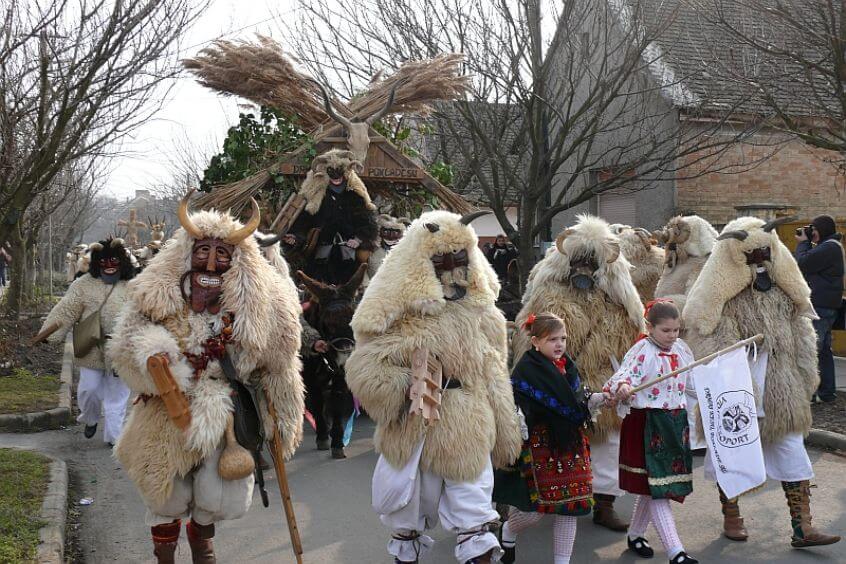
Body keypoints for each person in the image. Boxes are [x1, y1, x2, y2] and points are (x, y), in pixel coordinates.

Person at [107, 193, 305, 563]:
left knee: (215, 493)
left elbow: (280, 359)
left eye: (223, 254)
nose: (212, 262)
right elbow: (126, 342)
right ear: (186, 253)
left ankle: (203, 545)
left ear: (237, 260)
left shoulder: (259, 304)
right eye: (202, 252)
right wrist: (156, 354)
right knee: (165, 489)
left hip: (223, 409)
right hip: (166, 408)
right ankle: (164, 553)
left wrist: (276, 407)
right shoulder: (155, 294)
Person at [346, 210, 522, 564]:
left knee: (475, 517)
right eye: (440, 260)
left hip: (469, 424)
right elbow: (364, 365)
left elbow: (494, 373)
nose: (451, 268)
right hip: (417, 427)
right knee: (407, 514)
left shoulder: (482, 311)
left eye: (459, 258)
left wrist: (506, 427)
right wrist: (406, 388)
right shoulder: (401, 313)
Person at [685, 216, 840, 548]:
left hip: (781, 385)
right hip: (738, 386)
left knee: (792, 450)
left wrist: (805, 373)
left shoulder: (782, 290)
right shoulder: (724, 293)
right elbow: (708, 333)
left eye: (764, 255)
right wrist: (735, 349)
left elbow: (801, 330)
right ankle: (732, 515)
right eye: (752, 257)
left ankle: (803, 526)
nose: (760, 263)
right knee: (732, 450)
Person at [513, 215, 645, 531]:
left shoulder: (616, 297)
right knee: (547, 441)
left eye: (590, 261)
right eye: (578, 260)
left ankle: (604, 504)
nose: (583, 267)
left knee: (606, 445)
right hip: (555, 381)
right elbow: (530, 334)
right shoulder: (549, 293)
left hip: (599, 378)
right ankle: (535, 498)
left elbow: (631, 332)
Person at [494, 312, 611, 564]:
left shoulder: (568, 366)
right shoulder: (526, 370)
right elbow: (517, 409)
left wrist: (601, 398)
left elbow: (577, 401)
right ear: (535, 341)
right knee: (536, 512)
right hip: (541, 446)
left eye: (563, 338)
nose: (560, 345)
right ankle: (509, 530)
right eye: (552, 339)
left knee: (571, 508)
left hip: (572, 443)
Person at [604, 300, 699, 564]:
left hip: (674, 423)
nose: (672, 336)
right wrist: (623, 387)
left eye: (676, 330)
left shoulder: (681, 350)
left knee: (656, 486)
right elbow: (624, 376)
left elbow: (692, 385)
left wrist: (717, 374)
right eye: (666, 331)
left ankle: (635, 534)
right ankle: (675, 552)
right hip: (647, 423)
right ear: (650, 327)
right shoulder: (642, 351)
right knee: (657, 487)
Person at [38, 238, 134, 446]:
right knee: (88, 390)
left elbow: (148, 314)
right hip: (91, 348)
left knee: (116, 397)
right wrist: (49, 334)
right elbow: (66, 309)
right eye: (104, 262)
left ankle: (114, 438)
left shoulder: (134, 286)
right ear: (96, 262)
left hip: (122, 350)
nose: (109, 267)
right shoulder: (83, 284)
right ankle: (89, 418)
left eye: (114, 261)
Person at [284, 148, 378, 286]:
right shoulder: (317, 199)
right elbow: (304, 222)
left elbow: (368, 223)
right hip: (321, 255)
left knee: (350, 285)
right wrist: (296, 237)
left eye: (339, 170)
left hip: (348, 256)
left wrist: (359, 239)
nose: (336, 176)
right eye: (331, 171)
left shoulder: (355, 196)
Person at [795, 214, 844, 403]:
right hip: (824, 306)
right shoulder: (829, 247)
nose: (811, 233)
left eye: (813, 230)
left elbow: (802, 263)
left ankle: (811, 392)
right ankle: (827, 392)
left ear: (822, 230)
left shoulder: (829, 247)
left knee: (813, 349)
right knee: (823, 350)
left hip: (821, 307)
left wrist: (803, 243)